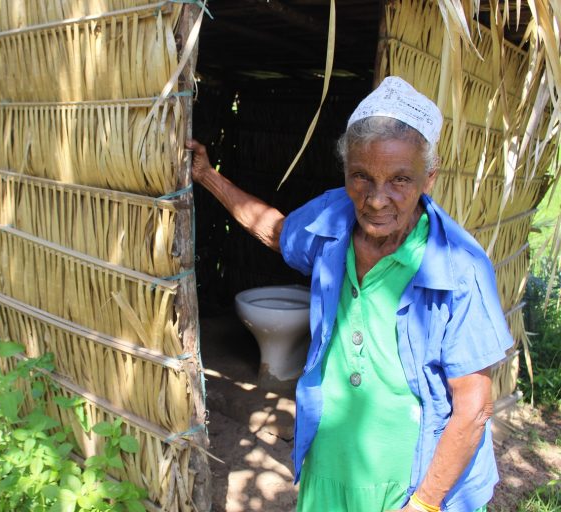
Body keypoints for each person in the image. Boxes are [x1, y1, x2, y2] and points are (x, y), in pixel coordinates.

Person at [188, 76, 513, 512]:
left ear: (428, 178)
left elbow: (473, 406)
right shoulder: (333, 217)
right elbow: (277, 230)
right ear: (345, 172)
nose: (377, 200)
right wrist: (207, 176)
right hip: (330, 457)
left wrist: (425, 504)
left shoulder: (459, 267)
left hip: (411, 477)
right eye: (362, 176)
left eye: (400, 180)